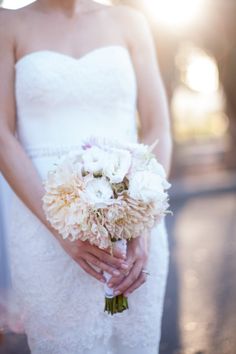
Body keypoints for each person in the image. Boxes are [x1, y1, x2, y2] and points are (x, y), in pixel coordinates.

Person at [0, 0, 172, 353]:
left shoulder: (132, 22)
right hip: (41, 220)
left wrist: (145, 223)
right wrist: (59, 228)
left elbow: (158, 127)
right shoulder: (8, 24)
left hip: (133, 215)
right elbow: (2, 134)